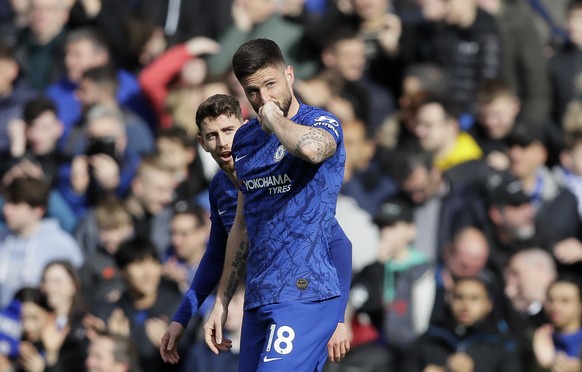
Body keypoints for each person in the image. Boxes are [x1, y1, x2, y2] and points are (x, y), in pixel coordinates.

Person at [160, 94, 352, 367]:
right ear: (202, 143)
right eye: (212, 135)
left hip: (303, 301)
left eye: (229, 131)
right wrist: (182, 317)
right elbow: (216, 254)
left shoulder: (276, 173)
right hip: (261, 305)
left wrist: (338, 318)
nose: (223, 142)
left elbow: (339, 243)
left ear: (246, 128)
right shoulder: (219, 188)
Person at [202, 38, 350, 371]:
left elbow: (312, 151)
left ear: (290, 75)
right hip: (259, 296)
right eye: (253, 91)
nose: (263, 98)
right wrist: (222, 300)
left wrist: (272, 118)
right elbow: (241, 222)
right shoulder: (245, 140)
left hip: (306, 292)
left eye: (270, 84)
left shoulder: (322, 123)